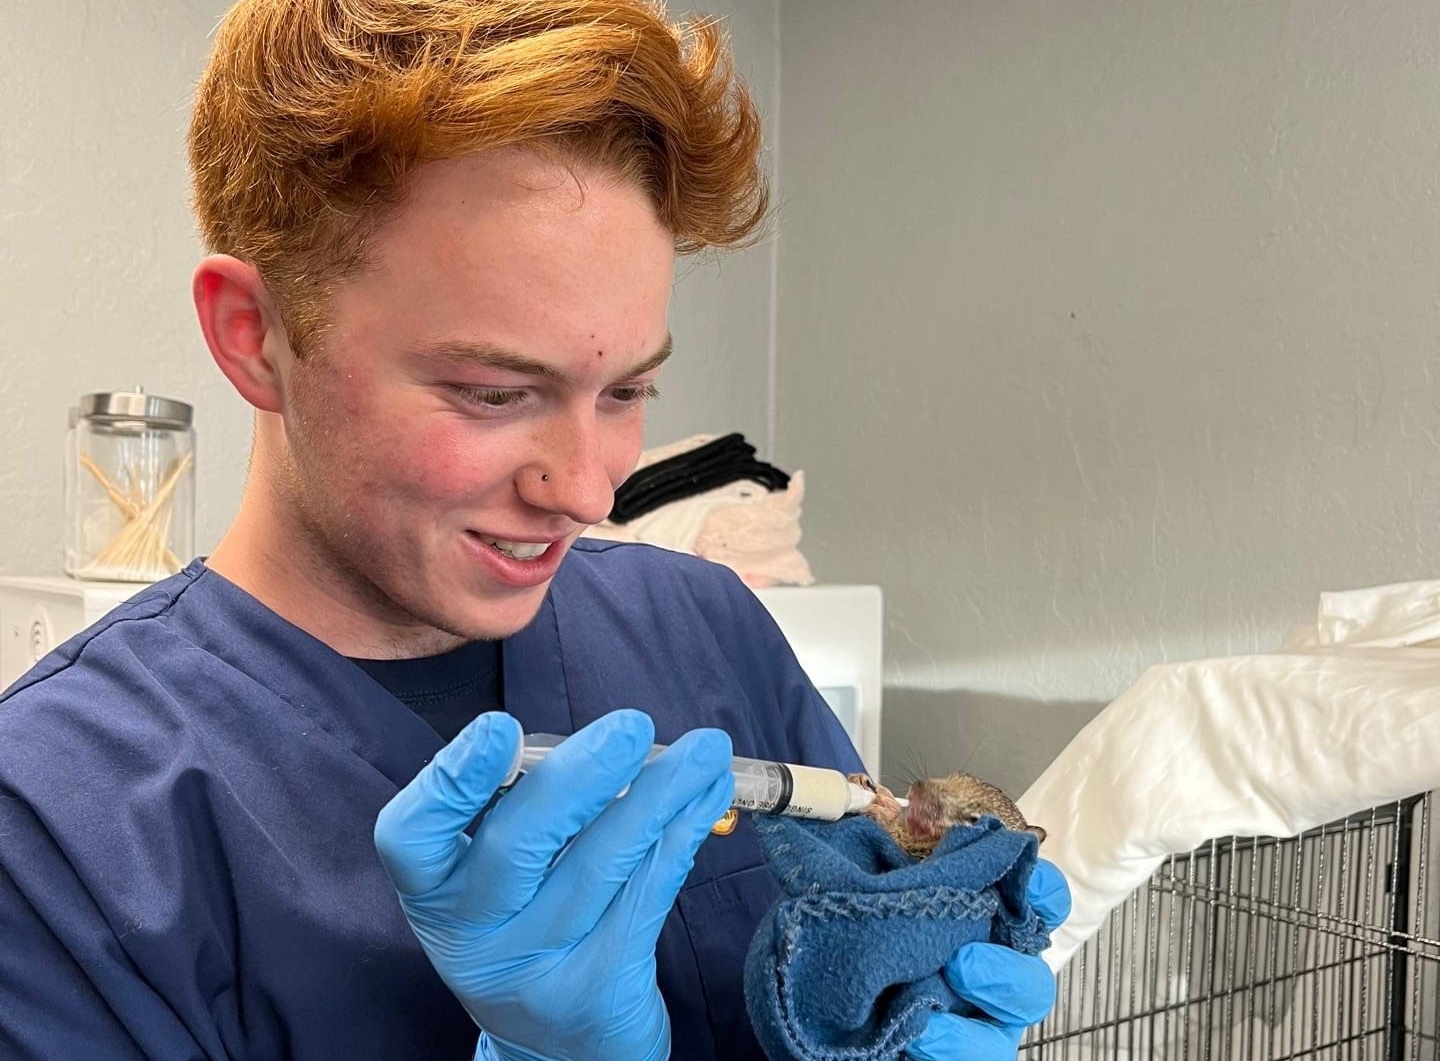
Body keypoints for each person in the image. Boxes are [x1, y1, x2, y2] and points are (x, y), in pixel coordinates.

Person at [0, 2, 1069, 1059]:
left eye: (626, 389)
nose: (589, 493)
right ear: (255, 335)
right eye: (492, 391)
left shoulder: (705, 629)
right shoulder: (55, 829)